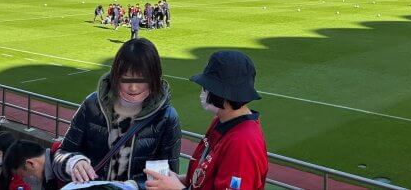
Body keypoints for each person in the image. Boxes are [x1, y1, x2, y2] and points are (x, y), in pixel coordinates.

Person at [53, 38, 181, 185]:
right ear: (115, 76)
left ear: (154, 78)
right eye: (126, 79)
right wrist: (73, 163)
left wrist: (135, 186)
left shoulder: (167, 117)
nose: (133, 88)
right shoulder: (92, 105)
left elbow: (169, 179)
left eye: (142, 80)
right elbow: (61, 155)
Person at [145, 51, 267, 190]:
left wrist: (178, 189)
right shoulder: (222, 121)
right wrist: (179, 180)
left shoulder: (243, 142)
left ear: (222, 93)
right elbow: (207, 175)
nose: (203, 92)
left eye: (206, 87)